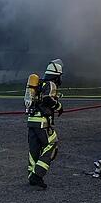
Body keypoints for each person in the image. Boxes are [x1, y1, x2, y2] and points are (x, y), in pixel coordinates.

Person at [26, 59, 64, 189]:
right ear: (57, 75)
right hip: (42, 122)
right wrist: (59, 106)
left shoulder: (38, 84)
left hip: (31, 121)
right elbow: (48, 99)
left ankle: (32, 175)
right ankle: (37, 175)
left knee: (34, 149)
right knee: (52, 144)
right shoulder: (51, 84)